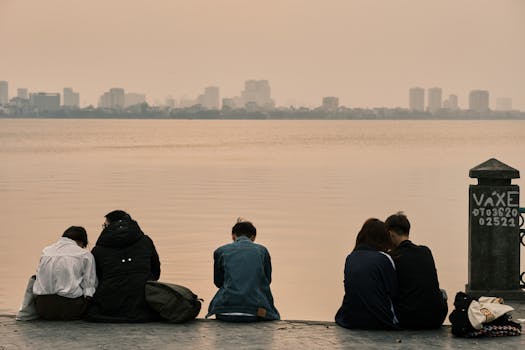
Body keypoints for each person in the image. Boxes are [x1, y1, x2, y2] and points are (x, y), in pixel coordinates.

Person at [86, 210, 161, 322]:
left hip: (109, 306)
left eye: (104, 225)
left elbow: (96, 279)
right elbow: (156, 271)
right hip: (144, 304)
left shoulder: (98, 250)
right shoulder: (146, 241)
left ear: (108, 226)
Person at [207, 218, 280, 322]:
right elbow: (267, 280)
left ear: (233, 236)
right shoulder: (262, 251)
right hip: (255, 312)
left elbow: (218, 282)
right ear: (253, 237)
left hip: (224, 311)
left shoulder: (220, 251)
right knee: (274, 315)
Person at [385, 212, 448, 329]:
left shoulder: (392, 257)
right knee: (442, 292)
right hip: (436, 318)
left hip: (409, 320)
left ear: (390, 234)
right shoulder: (425, 251)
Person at [335, 218, 399, 329]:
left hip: (350, 320)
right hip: (379, 321)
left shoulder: (350, 257)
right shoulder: (384, 258)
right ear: (383, 238)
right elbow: (394, 292)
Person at [33, 226, 97, 320]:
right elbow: (89, 286)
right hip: (70, 309)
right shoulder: (85, 255)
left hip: (43, 308)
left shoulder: (46, 251)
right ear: (81, 241)